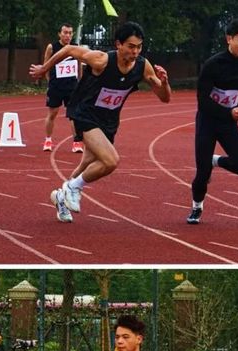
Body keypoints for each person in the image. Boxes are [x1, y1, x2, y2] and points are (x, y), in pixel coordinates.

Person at [29, 21, 172, 223]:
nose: (135, 52)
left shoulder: (142, 66)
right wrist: (44, 69)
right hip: (85, 114)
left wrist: (164, 83)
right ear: (118, 44)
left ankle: (62, 196)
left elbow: (165, 98)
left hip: (109, 120)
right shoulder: (101, 60)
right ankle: (72, 188)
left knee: (88, 162)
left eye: (139, 47)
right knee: (111, 161)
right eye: (131, 46)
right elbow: (69, 50)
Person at [186, 17, 238, 225]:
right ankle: (197, 206)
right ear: (229, 39)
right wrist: (229, 113)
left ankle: (215, 160)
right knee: (202, 174)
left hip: (228, 123)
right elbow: (202, 102)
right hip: (208, 121)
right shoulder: (213, 64)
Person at [42, 23, 83, 153]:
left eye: (70, 33)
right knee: (52, 114)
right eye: (65, 32)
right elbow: (45, 65)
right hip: (56, 87)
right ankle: (48, 140)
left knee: (74, 115)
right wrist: (50, 82)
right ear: (59, 34)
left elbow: (79, 66)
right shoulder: (52, 47)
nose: (68, 35)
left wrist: (80, 82)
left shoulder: (76, 48)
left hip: (72, 87)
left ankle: (76, 142)